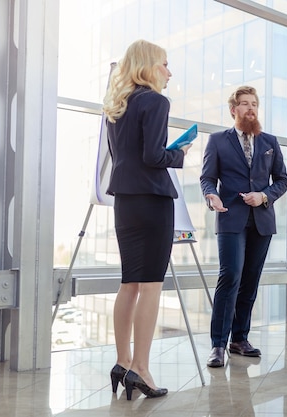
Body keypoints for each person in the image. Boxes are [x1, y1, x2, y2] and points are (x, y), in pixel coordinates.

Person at [103, 39, 192, 400]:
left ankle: (123, 362)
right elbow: (154, 156)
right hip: (153, 203)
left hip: (125, 202)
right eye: (165, 65)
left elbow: (124, 157)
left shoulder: (116, 106)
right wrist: (179, 153)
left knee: (130, 284)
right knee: (152, 286)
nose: (169, 72)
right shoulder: (156, 101)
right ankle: (141, 368)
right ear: (149, 66)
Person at [200, 85, 287, 368]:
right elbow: (206, 178)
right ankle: (217, 344)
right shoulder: (217, 141)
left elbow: (283, 180)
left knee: (250, 281)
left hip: (262, 220)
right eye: (245, 104)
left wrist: (264, 196)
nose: (251, 108)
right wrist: (210, 195)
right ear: (233, 110)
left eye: (254, 104)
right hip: (230, 217)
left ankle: (239, 338)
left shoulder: (270, 142)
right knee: (231, 277)